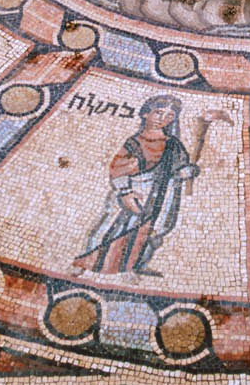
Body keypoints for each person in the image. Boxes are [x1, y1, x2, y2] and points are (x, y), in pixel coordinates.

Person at [73, 95, 197, 277]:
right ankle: (85, 262)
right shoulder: (135, 142)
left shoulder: (173, 144)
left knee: (154, 231)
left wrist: (187, 171)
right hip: (136, 192)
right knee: (112, 226)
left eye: (170, 116)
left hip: (162, 196)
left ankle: (136, 264)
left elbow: (179, 168)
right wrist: (125, 192)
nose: (163, 119)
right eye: (159, 113)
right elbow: (118, 168)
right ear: (146, 114)